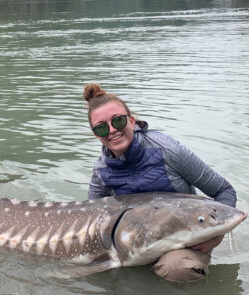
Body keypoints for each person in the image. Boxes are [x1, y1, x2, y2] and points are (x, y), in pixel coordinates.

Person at [82, 83, 236, 283]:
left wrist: (216, 236)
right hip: (133, 242)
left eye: (118, 121)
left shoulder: (168, 150)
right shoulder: (101, 172)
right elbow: (92, 220)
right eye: (102, 127)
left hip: (180, 244)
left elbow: (224, 190)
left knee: (177, 269)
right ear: (97, 134)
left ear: (131, 120)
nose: (112, 131)